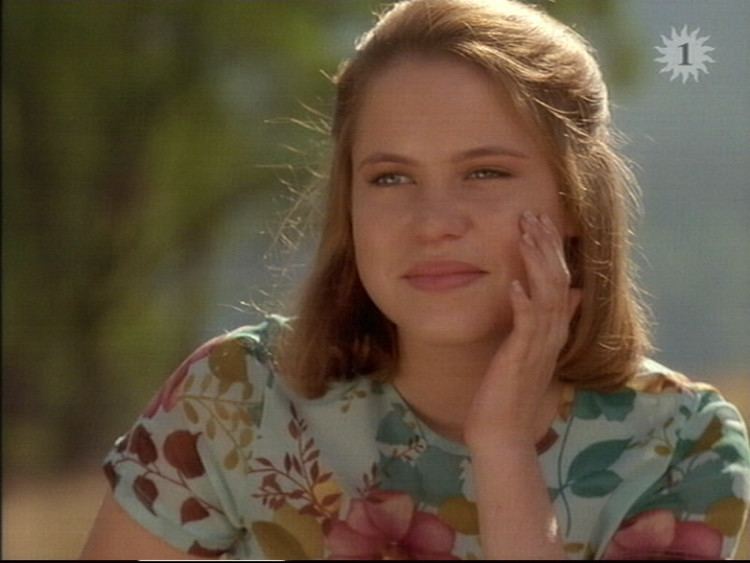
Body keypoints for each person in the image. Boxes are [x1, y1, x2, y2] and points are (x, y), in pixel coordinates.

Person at [81, 0, 750, 559]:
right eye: (390, 178)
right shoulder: (238, 398)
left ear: (574, 199)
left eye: (484, 172)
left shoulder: (681, 445)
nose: (433, 223)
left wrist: (503, 448)